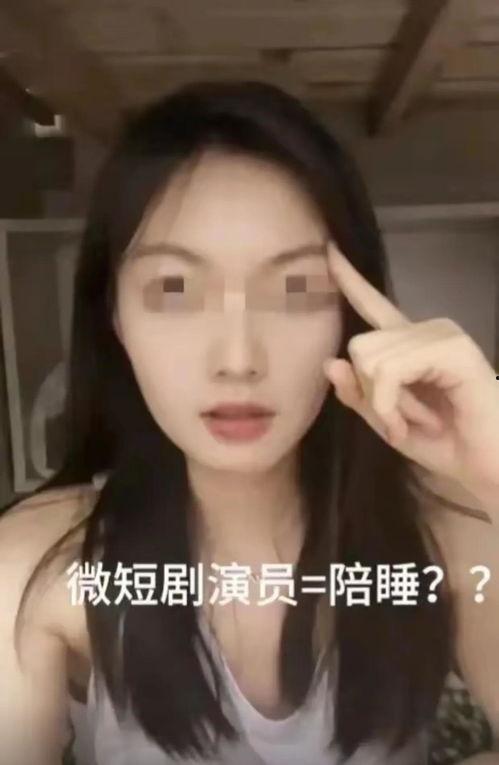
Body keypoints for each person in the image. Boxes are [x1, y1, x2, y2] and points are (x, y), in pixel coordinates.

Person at [0, 79, 498, 765]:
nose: (237, 359)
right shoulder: (35, 565)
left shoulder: (449, 532)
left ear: (351, 316)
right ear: (113, 316)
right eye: (174, 288)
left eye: (296, 288)